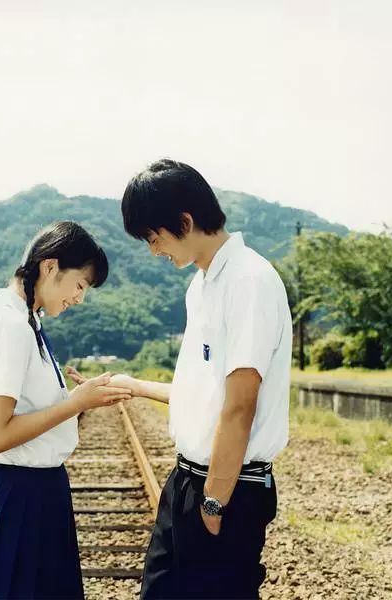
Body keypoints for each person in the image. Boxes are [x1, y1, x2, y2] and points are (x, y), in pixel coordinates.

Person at [80, 159, 292, 599]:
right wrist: (135, 386)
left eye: (154, 238)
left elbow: (239, 407)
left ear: (185, 221)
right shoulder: (201, 286)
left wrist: (214, 502)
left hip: (229, 489)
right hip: (185, 483)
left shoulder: (248, 281)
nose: (153, 251)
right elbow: (206, 395)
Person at [0, 221, 133, 600]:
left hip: (35, 494)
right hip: (20, 500)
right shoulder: (10, 327)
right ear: (50, 267)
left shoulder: (28, 323)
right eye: (80, 285)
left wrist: (77, 402)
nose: (79, 298)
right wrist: (73, 403)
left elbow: (32, 415)